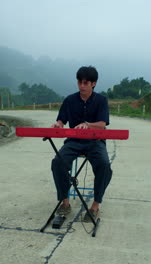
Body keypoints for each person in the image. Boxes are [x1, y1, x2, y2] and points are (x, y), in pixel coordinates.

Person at [51, 66, 112, 222]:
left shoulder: (101, 100)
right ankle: (65, 203)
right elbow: (61, 120)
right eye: (80, 82)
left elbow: (103, 123)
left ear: (93, 83)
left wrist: (88, 124)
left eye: (86, 83)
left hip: (95, 141)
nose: (82, 86)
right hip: (74, 141)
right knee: (58, 162)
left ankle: (95, 206)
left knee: (104, 165)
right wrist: (58, 124)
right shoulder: (70, 100)